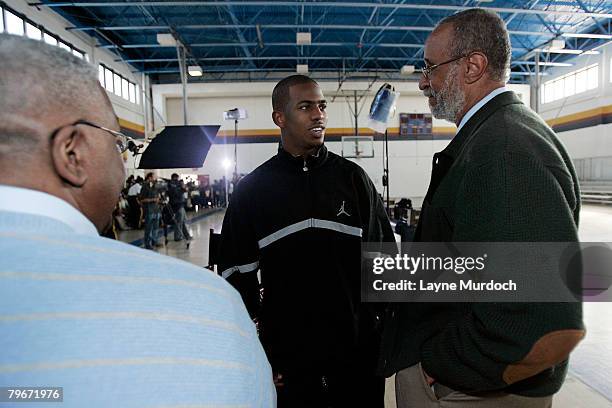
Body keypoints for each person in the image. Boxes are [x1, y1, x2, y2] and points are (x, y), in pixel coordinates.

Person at [0, 34, 274, 408]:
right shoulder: (200, 308)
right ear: (73, 152)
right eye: (117, 141)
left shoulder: (350, 183)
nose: (123, 159)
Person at [378, 9, 585, 408]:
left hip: (468, 390)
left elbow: (541, 321)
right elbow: (480, 263)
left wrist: (438, 365)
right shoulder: (498, 135)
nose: (423, 81)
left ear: (472, 67)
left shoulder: (503, 153)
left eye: (430, 67)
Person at [218, 74, 395, 408]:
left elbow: (385, 260)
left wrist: (381, 337)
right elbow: (235, 279)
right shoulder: (252, 192)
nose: (319, 115)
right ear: (279, 118)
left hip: (356, 359)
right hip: (289, 363)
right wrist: (257, 352)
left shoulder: (354, 180)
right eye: (305, 106)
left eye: (322, 105)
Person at [140, 171, 162, 249]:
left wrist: (159, 200)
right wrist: (153, 200)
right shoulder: (145, 187)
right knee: (148, 228)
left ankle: (154, 241)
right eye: (154, 177)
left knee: (156, 227)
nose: (155, 178)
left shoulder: (155, 186)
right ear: (149, 178)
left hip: (156, 210)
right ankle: (147, 244)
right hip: (149, 210)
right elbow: (142, 200)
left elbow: (157, 197)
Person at [167, 173, 192, 241]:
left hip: (180, 204)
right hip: (177, 205)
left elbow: (185, 190)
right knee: (179, 222)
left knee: (182, 221)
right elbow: (176, 193)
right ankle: (177, 237)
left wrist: (183, 187)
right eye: (176, 179)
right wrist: (181, 187)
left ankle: (186, 235)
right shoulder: (171, 185)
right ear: (175, 178)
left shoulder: (177, 185)